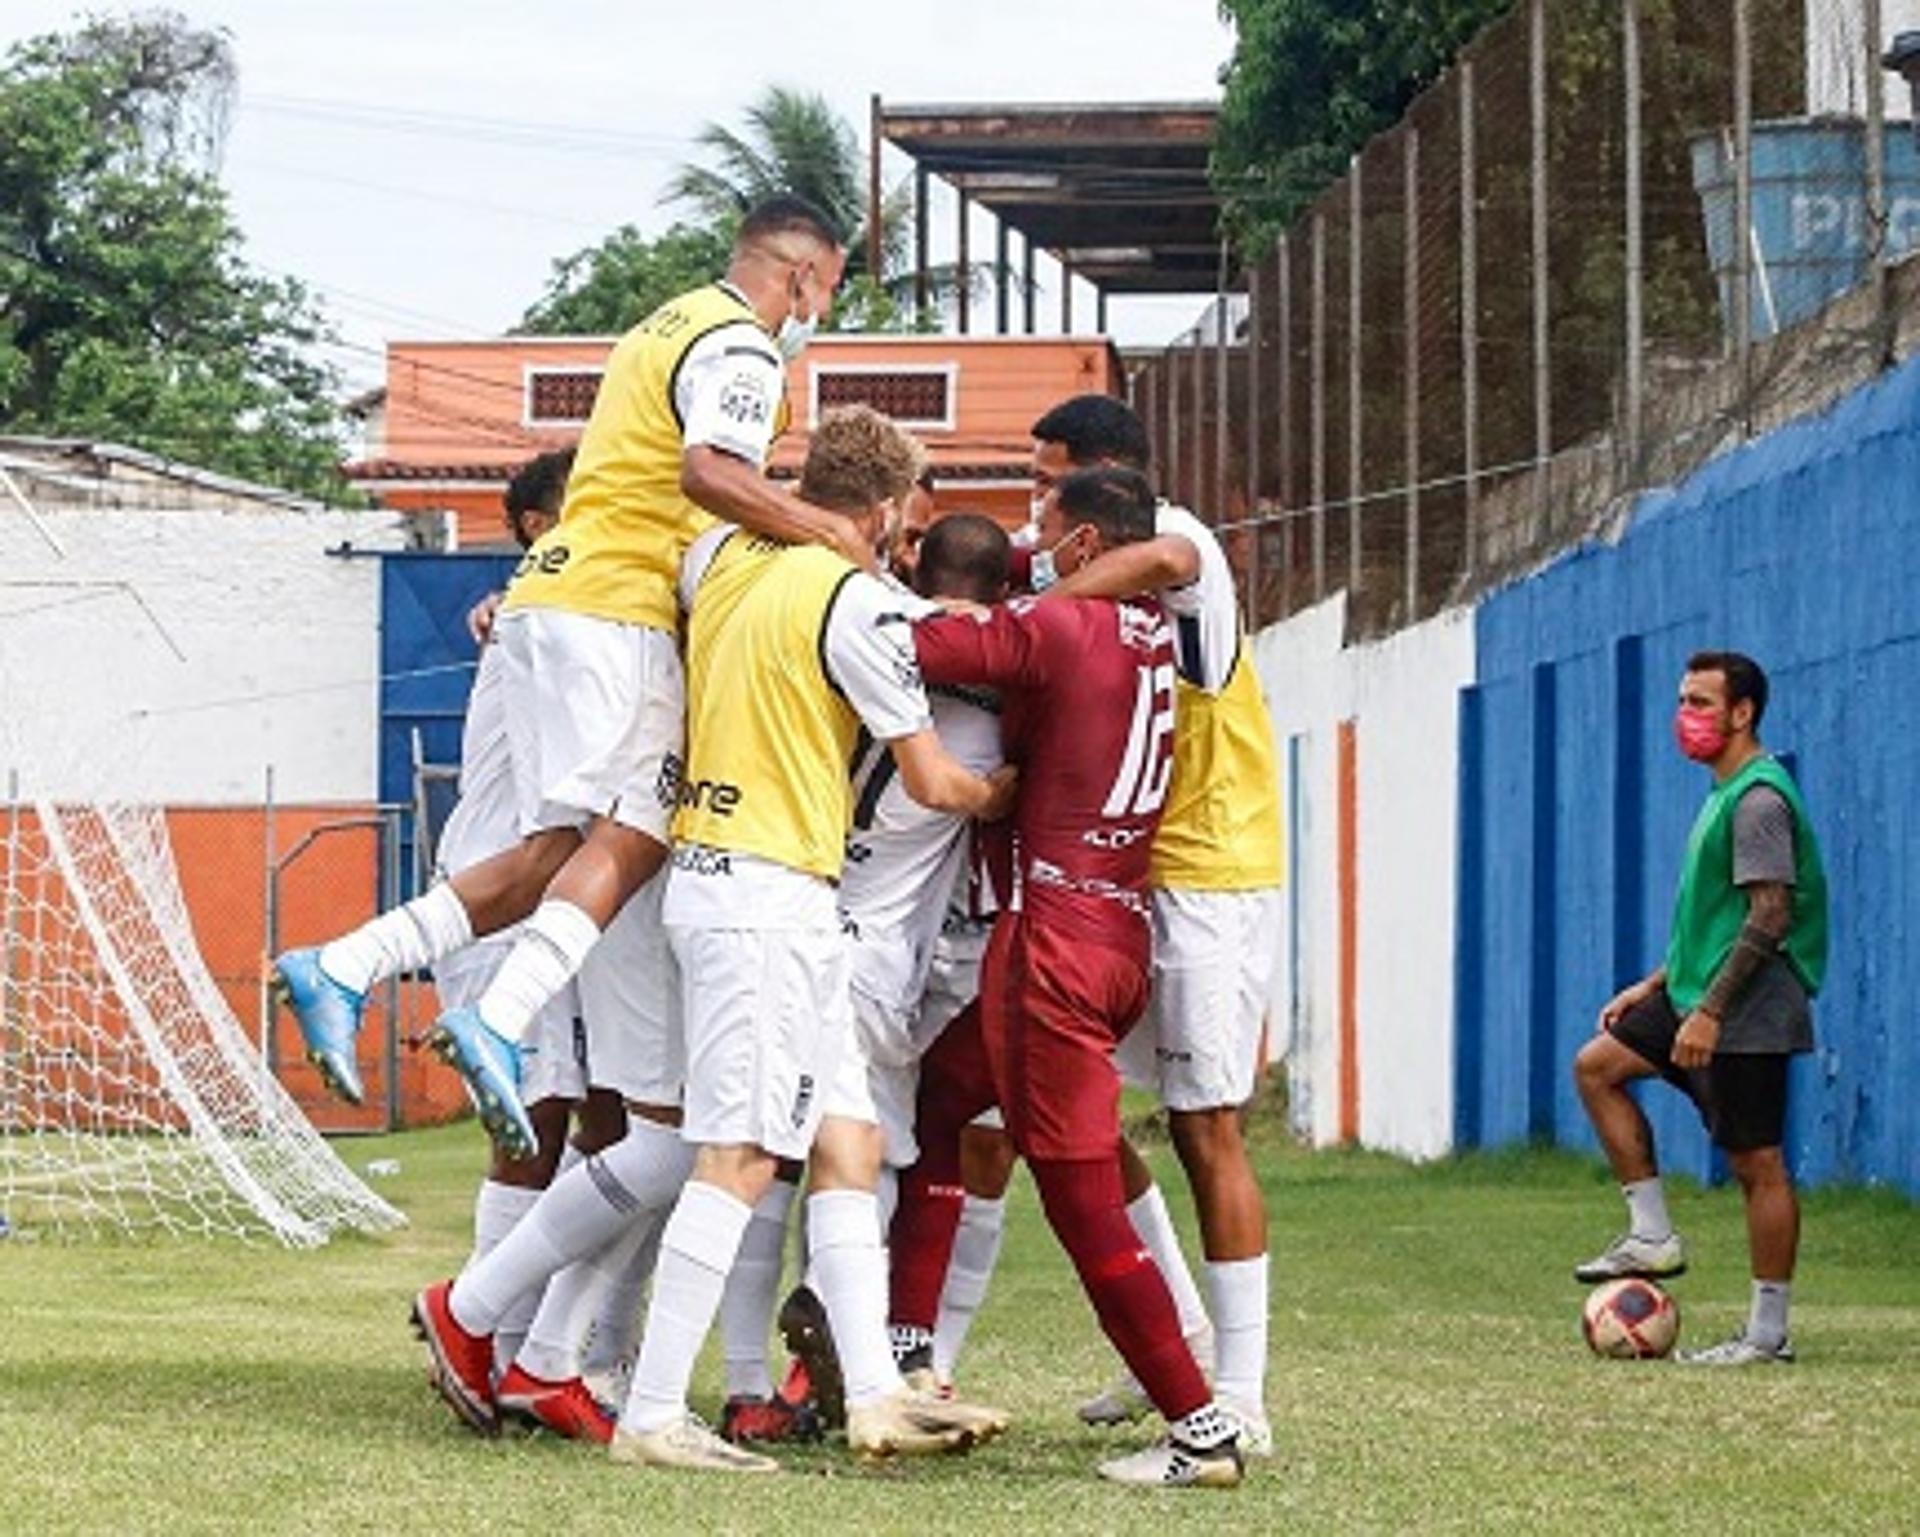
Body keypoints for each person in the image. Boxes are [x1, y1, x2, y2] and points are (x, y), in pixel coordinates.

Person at [271, 195, 864, 1161]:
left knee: (559, 847)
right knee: (633, 834)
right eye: (828, 293)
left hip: (553, 597)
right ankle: (498, 1018)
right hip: (614, 610)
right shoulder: (743, 346)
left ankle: (343, 963)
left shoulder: (660, 325)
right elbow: (712, 473)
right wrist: (828, 529)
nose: (821, 316)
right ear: (800, 274)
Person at [600, 404, 1012, 1473]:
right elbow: (929, 779)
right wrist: (1004, 787)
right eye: (903, 521)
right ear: (883, 511)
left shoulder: (720, 556)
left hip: (758, 889)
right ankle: (650, 1414)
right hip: (765, 895)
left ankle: (876, 1393)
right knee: (739, 1155)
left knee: (848, 1141)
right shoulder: (861, 606)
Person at [892, 466, 1245, 1489]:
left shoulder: (1053, 627)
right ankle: (913, 1348)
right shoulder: (1155, 639)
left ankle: (1198, 1425)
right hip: (1118, 926)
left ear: (1088, 544)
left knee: (1079, 1193)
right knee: (950, 1097)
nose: (1030, 548)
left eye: (1045, 528)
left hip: (1049, 933)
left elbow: (910, 642)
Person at [1031, 395, 1283, 1452]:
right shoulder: (1070, 555)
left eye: (1045, 483)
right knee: (1083, 1120)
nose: (1034, 506)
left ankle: (1244, 1394)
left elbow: (1165, 556)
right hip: (1127, 878)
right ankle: (1171, 1340)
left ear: (1093, 484)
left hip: (1209, 875)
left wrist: (1038, 606)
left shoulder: (1186, 545)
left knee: (1203, 1124)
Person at [1572, 652, 1828, 1366]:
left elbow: (1770, 915)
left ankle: (1766, 1334)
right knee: (1598, 1065)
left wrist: (1709, 1011)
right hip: (1693, 996)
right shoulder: (1724, 793)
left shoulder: (1758, 800)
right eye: (1683, 700)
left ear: (1742, 713)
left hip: (1745, 1011)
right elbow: (1717, 922)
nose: (1687, 716)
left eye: (1703, 703)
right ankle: (1651, 1235)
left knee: (1758, 1164)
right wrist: (1656, 985)